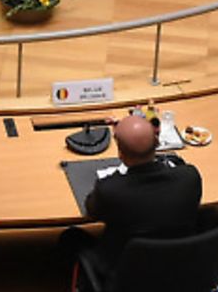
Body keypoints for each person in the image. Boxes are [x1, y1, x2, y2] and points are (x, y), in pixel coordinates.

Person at [63, 112, 201, 272]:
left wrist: (126, 141)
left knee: (70, 237)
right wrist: (134, 133)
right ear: (157, 142)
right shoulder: (190, 177)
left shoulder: (110, 190)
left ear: (120, 154)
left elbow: (91, 210)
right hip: (178, 267)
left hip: (125, 277)